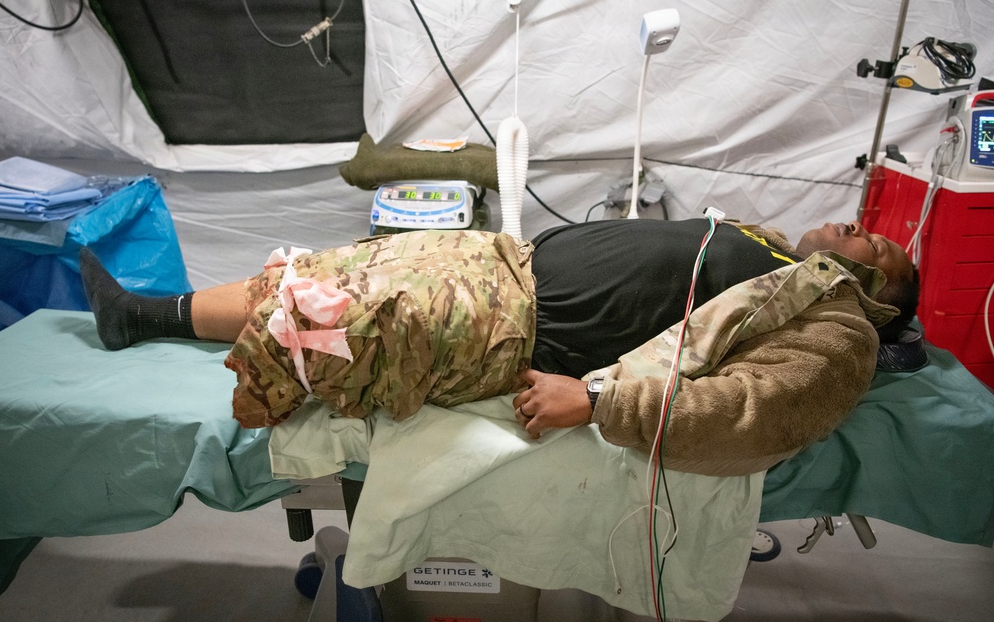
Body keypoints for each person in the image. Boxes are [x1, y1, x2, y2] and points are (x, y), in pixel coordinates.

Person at [79, 218, 917, 475]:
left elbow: (752, 415)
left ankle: (168, 329)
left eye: (880, 250)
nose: (862, 230)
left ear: (881, 298)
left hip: (506, 325)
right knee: (319, 270)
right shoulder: (778, 253)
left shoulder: (836, 328)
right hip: (504, 262)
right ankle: (143, 316)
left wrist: (595, 400)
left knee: (333, 314)